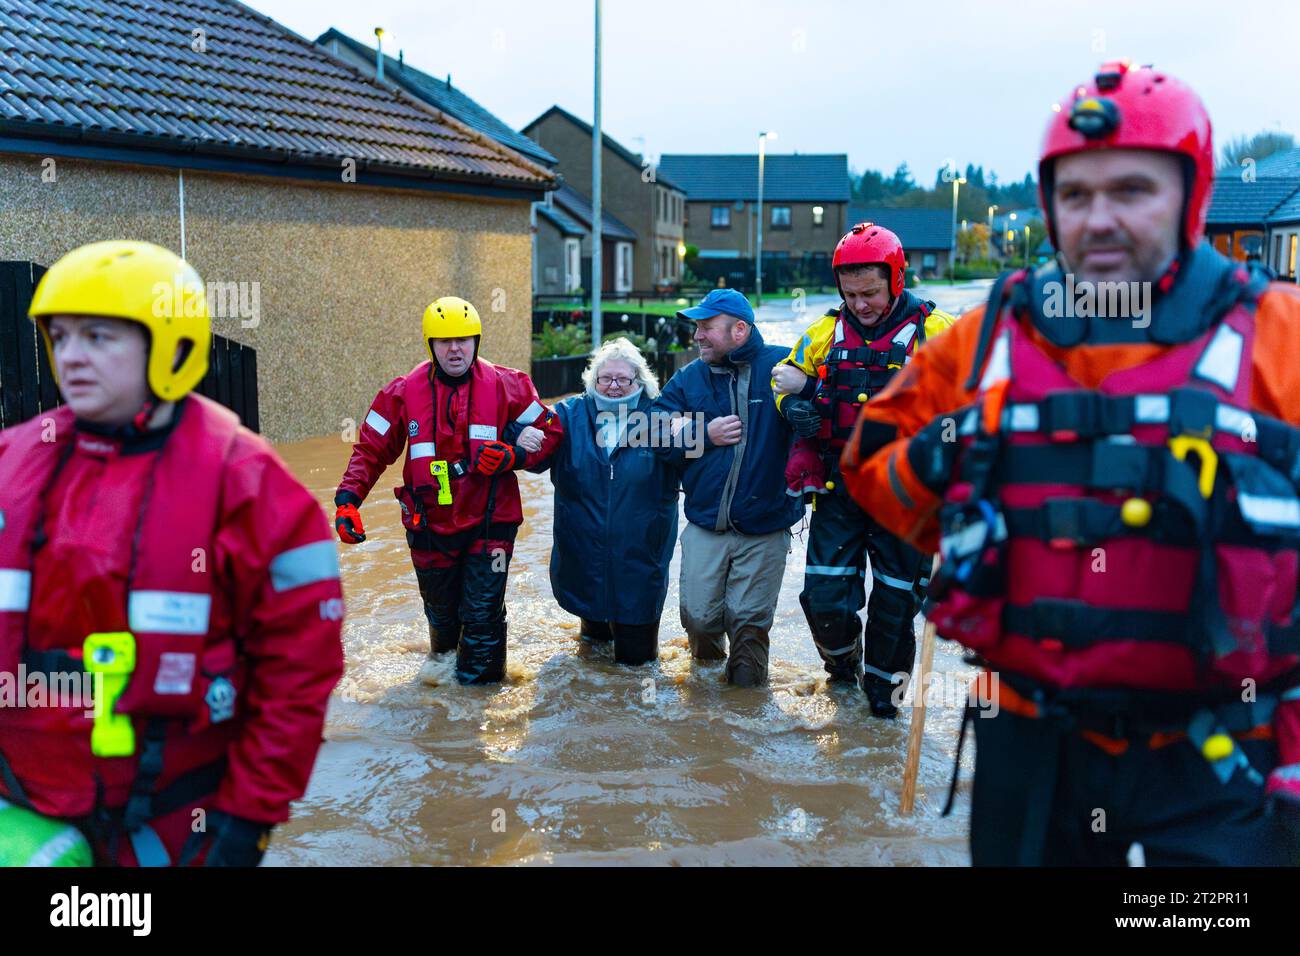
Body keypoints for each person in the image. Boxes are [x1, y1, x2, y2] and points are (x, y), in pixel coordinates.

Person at [840, 61, 1300, 865]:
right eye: (1076, 195)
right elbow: (871, 463)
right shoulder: (991, 339)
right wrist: (970, 449)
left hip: (1223, 761)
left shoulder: (1277, 337)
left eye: (1131, 190)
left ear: (1190, 200)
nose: (1099, 219)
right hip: (1030, 744)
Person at [0, 240, 345, 866]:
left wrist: (249, 822)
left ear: (174, 346)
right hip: (24, 819)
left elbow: (297, 674)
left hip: (173, 826)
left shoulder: (248, 484)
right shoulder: (11, 462)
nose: (71, 358)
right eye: (60, 337)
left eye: (99, 337)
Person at [772, 224, 955, 716]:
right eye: (850, 294)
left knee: (894, 609)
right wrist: (792, 404)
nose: (861, 304)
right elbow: (783, 379)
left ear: (896, 279)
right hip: (840, 490)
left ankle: (883, 706)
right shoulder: (824, 334)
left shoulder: (941, 335)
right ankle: (842, 667)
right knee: (823, 599)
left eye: (870, 292)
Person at [334, 296, 562, 685]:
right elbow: (370, 449)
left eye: (463, 340)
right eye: (444, 341)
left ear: (476, 341)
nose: (455, 349)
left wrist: (511, 457)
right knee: (441, 616)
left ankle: (474, 710)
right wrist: (347, 501)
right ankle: (441, 693)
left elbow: (552, 435)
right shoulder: (401, 393)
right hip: (428, 525)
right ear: (430, 344)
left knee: (483, 613)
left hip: (491, 524)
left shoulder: (510, 386)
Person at [651, 289, 801, 686]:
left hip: (766, 528)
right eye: (696, 327)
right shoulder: (688, 378)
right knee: (698, 619)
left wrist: (806, 386)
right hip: (705, 525)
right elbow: (649, 432)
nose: (697, 336)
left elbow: (833, 405)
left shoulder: (783, 367)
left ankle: (744, 716)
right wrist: (703, 433)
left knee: (749, 626)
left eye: (706, 327)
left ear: (739, 329)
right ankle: (704, 711)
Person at [528, 338, 680, 665]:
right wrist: (521, 436)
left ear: (640, 381)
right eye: (605, 378)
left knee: (636, 669)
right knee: (589, 664)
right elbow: (530, 458)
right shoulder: (567, 416)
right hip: (583, 563)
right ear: (592, 380)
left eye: (623, 380)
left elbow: (701, 466)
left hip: (639, 566)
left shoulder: (662, 418)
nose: (612, 387)